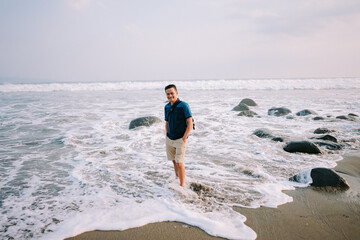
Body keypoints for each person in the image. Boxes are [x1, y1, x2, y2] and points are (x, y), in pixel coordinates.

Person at [164, 84, 193, 187]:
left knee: (179, 163)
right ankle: (177, 179)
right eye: (168, 94)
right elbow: (166, 122)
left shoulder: (183, 105)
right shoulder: (167, 106)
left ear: (176, 93)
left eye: (172, 93)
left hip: (180, 139)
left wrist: (184, 137)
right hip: (170, 138)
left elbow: (190, 122)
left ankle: (181, 186)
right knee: (174, 161)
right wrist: (167, 134)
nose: (170, 96)